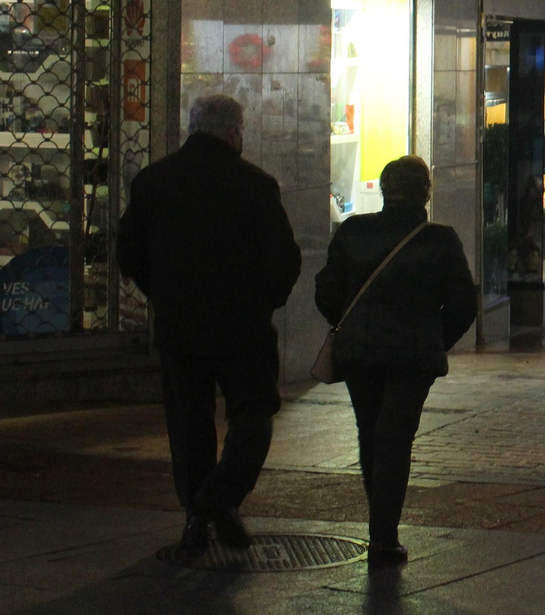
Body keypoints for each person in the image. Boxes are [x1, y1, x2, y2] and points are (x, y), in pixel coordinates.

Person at [118, 94, 301, 552]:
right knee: (254, 414)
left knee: (189, 423)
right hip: (243, 328)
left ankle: (195, 518)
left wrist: (163, 294)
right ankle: (219, 500)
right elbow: (284, 260)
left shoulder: (153, 182)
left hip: (180, 327)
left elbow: (129, 254)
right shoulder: (256, 186)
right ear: (234, 133)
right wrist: (265, 301)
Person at [315, 156, 476, 566]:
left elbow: (327, 292)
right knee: (395, 438)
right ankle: (383, 535)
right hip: (411, 357)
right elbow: (462, 303)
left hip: (360, 352)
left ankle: (380, 527)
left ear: (384, 190)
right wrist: (433, 338)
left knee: (370, 433)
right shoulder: (440, 240)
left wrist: (351, 325)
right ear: (426, 192)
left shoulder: (354, 231)